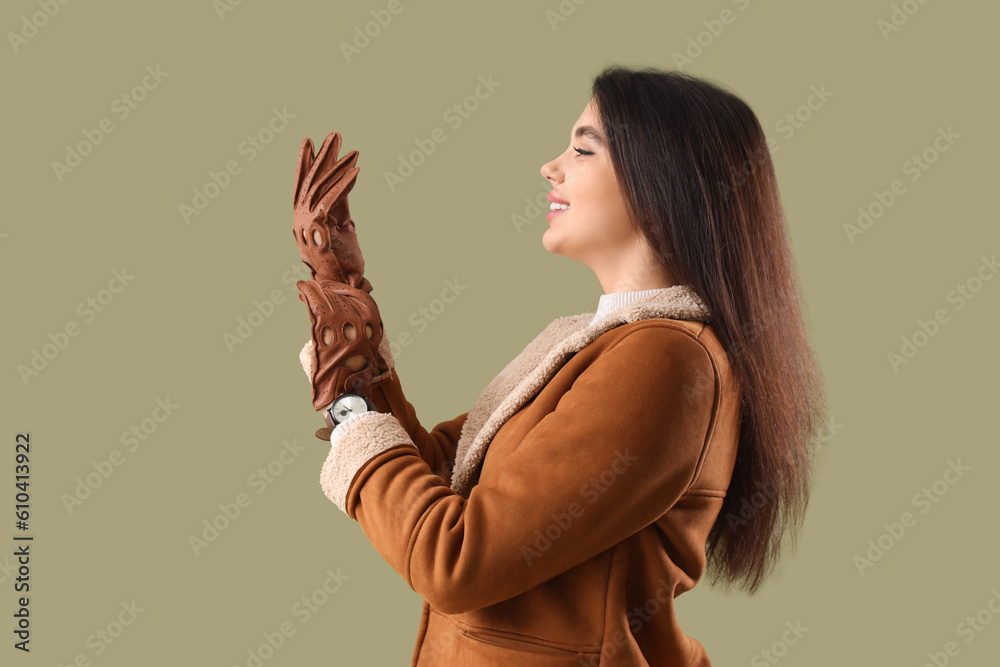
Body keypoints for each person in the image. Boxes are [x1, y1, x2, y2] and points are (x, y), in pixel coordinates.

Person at [292, 64, 828, 666]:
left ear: (662, 182)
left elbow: (455, 559)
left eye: (582, 147)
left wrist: (354, 408)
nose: (552, 167)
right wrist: (348, 318)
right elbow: (443, 475)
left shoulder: (666, 360)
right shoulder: (602, 349)